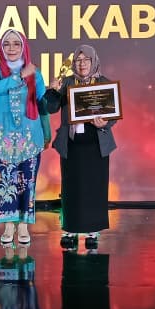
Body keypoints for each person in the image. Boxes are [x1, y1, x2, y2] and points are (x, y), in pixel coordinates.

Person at [42, 45, 117, 250]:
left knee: (95, 187)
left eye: (86, 60)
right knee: (71, 187)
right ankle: (70, 229)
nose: (82, 64)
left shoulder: (104, 83)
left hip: (96, 143)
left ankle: (93, 231)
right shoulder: (67, 82)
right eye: (78, 60)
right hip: (72, 143)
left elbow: (112, 114)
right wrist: (52, 90)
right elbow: (50, 108)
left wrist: (106, 122)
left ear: (94, 61)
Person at [0, 28, 46, 245]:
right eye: (7, 44)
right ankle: (8, 224)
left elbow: (42, 100)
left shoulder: (35, 73)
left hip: (30, 136)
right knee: (4, 181)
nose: (11, 48)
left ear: (23, 47)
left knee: (28, 181)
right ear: (1, 48)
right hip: (3, 136)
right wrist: (20, 75)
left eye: (16, 44)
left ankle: (24, 225)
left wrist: (53, 89)